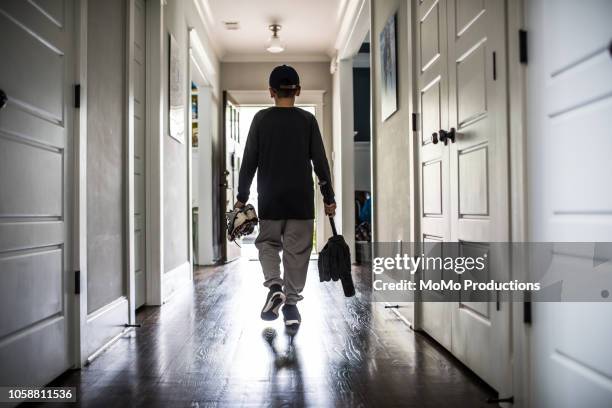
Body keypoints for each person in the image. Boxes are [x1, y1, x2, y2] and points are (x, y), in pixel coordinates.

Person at [234, 65, 336, 329]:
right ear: (298, 91)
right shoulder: (307, 121)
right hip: (301, 200)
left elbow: (248, 162)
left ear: (271, 92)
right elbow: (320, 163)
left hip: (271, 198)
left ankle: (275, 286)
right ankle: (290, 306)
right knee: (298, 252)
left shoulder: (261, 119)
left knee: (267, 244)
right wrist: (328, 197)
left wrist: (241, 197)